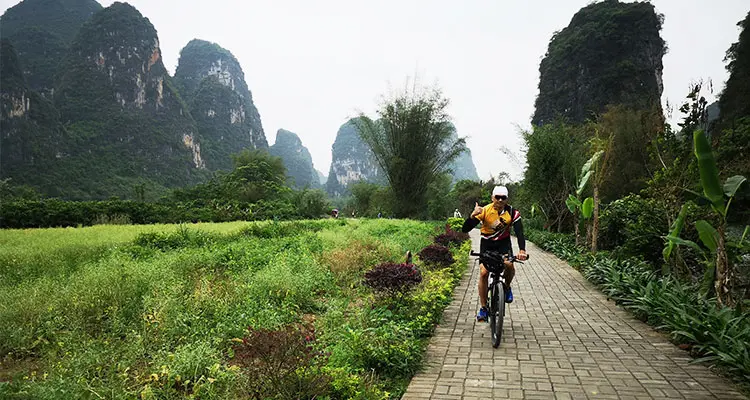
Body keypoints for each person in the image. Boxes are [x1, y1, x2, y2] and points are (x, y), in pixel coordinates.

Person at [461, 185, 527, 322]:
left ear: (507, 199)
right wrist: (472, 216)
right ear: (492, 198)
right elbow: (465, 229)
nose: (500, 200)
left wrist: (522, 250)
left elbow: (520, 233)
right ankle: (484, 308)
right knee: (484, 273)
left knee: (509, 265)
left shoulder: (513, 213)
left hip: (503, 244)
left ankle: (507, 287)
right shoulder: (484, 210)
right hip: (487, 244)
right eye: (497, 197)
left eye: (503, 198)